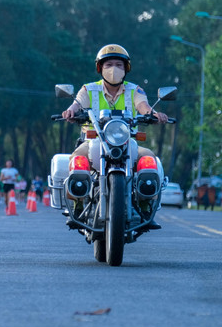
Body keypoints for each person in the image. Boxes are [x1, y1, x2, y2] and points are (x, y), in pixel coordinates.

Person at [61, 44, 168, 227]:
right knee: (77, 158)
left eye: (119, 65)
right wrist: (70, 111)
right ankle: (77, 205)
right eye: (109, 64)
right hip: (93, 141)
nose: (114, 69)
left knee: (149, 159)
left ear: (126, 68)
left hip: (127, 143)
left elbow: (144, 106)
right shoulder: (89, 89)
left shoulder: (135, 90)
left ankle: (144, 205)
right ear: (100, 68)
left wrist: (153, 114)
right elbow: (76, 104)